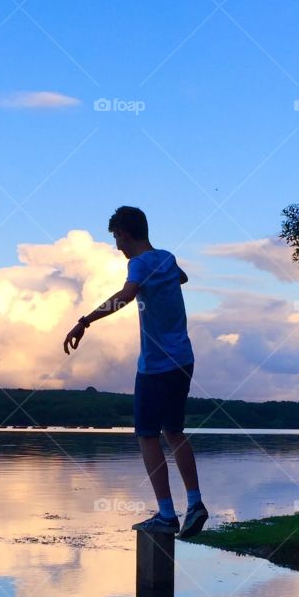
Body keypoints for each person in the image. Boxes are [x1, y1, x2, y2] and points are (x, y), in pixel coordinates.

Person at [62, 205, 208, 537]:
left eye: (116, 238)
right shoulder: (167, 260)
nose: (116, 245)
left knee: (146, 435)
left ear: (126, 234)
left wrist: (85, 321)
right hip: (183, 359)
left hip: (156, 366)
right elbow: (181, 277)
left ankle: (167, 513)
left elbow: (126, 296)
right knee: (174, 431)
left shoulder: (139, 264)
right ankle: (195, 503)